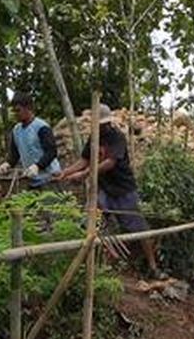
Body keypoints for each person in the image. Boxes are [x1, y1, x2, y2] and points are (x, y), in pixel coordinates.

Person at [55, 104, 165, 279]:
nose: (101, 127)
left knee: (139, 229)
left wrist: (85, 174)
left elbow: (110, 163)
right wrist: (66, 172)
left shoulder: (116, 137)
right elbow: (84, 160)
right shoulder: (93, 138)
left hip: (123, 190)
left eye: (103, 124)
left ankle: (152, 266)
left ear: (108, 123)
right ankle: (96, 266)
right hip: (104, 190)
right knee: (92, 222)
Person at [0, 92, 61, 189]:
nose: (16, 114)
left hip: (49, 178)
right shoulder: (16, 130)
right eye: (14, 111)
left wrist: (38, 166)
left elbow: (51, 152)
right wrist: (7, 164)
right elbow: (15, 155)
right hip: (30, 179)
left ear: (28, 108)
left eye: (18, 110)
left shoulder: (41, 127)